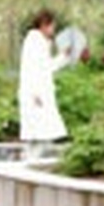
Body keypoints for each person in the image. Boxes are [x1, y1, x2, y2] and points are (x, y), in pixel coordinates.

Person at [18, 8, 75, 144]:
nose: (53, 30)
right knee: (40, 131)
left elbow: (47, 67)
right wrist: (35, 93)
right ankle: (36, 160)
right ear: (44, 25)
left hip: (41, 92)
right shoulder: (34, 41)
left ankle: (41, 158)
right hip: (35, 93)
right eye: (52, 26)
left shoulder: (41, 42)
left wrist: (65, 56)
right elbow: (31, 69)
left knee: (47, 129)